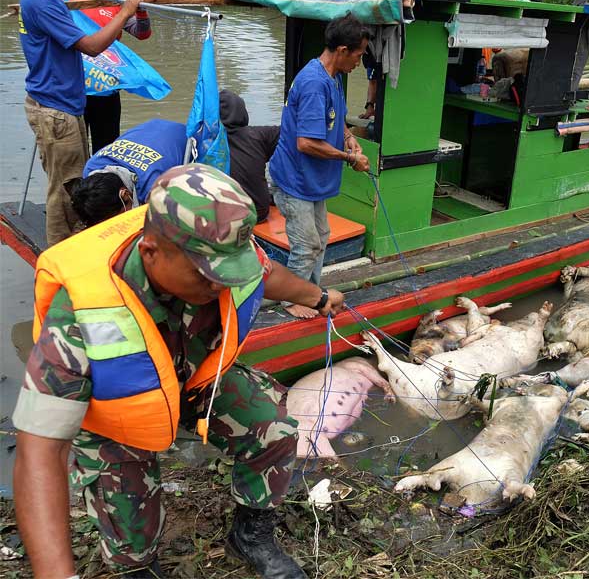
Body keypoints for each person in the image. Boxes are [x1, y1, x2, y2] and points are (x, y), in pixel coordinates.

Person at [12, 164, 345, 579]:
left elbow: (266, 274)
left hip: (191, 380)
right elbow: (40, 450)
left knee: (274, 430)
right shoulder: (79, 314)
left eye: (231, 274)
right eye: (209, 277)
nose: (222, 286)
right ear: (151, 252)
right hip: (118, 413)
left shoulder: (223, 249)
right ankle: (138, 567)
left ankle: (250, 537)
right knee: (132, 532)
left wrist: (319, 297)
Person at [18, 0, 142, 245]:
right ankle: (61, 251)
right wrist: (124, 12)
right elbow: (92, 46)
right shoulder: (41, 2)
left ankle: (76, 241)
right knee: (65, 190)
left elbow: (137, 33)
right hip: (55, 108)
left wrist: (125, 14)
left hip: (65, 103)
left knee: (76, 181)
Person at [269, 13, 371, 319]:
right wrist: (350, 158)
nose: (359, 62)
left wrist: (348, 137)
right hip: (295, 179)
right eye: (358, 54)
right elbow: (306, 143)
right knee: (307, 244)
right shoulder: (315, 83)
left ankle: (312, 293)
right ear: (342, 50)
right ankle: (291, 300)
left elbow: (334, 118)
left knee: (321, 236)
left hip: (312, 180)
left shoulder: (333, 76)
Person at [64, 0, 152, 153]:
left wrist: (141, 11)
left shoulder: (116, 1)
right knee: (72, 151)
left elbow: (142, 33)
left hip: (107, 86)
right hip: (72, 88)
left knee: (106, 149)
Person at [71, 118, 186, 225]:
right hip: (152, 130)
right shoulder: (91, 168)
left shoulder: (154, 187)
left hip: (184, 136)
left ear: (125, 195)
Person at [220, 89, 281, 222]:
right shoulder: (260, 135)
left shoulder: (206, 143)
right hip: (259, 211)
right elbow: (291, 132)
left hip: (228, 216)